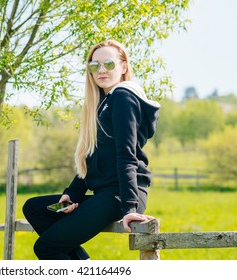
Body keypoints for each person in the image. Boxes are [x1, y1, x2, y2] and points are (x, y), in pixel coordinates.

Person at [22, 39, 160, 260]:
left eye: (109, 64)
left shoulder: (123, 97)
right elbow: (92, 156)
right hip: (104, 194)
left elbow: (126, 155)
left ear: (124, 67)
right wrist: (72, 194)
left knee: (46, 247)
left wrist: (130, 208)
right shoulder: (103, 102)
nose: (101, 70)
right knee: (35, 208)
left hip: (120, 195)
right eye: (94, 66)